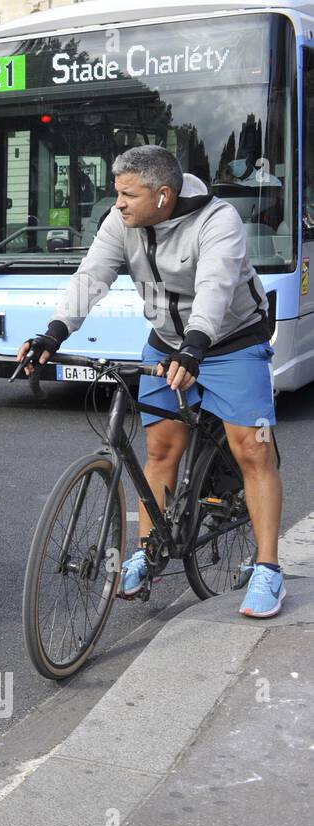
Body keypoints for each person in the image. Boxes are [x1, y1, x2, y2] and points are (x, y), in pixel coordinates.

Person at [17, 145, 285, 618]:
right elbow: (90, 279)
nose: (117, 203)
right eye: (116, 194)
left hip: (230, 341)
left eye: (127, 194)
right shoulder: (122, 223)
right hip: (166, 343)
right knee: (160, 450)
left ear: (163, 196)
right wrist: (53, 334)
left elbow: (216, 288)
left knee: (253, 450)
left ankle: (268, 570)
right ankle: (149, 550)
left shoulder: (218, 222)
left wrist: (196, 346)